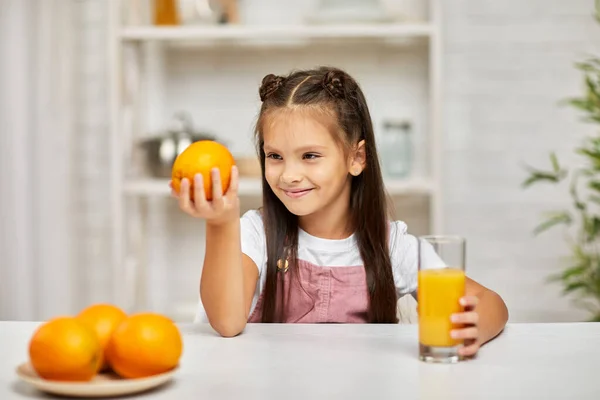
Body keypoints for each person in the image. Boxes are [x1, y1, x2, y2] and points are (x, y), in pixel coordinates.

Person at [171, 66, 508, 357]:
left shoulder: (392, 246)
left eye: (310, 156)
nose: (289, 174)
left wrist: (475, 325)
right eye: (275, 156)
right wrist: (219, 223)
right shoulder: (255, 234)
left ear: (356, 158)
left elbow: (491, 303)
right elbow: (227, 323)